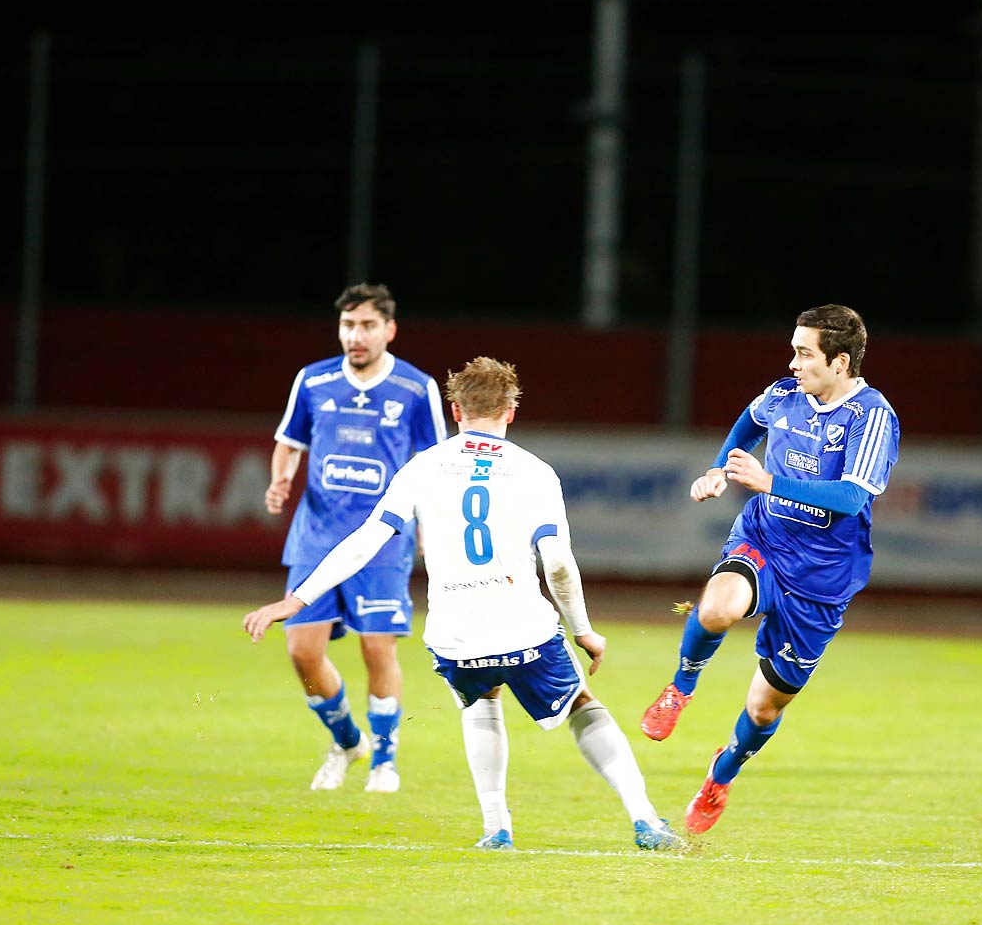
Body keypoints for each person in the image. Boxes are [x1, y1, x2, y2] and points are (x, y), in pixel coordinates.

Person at [245, 357, 684, 852]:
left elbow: (366, 540)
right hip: (522, 625)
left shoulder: (423, 466)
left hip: (454, 636)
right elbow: (557, 563)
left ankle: (496, 828)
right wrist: (582, 629)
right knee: (582, 703)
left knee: (481, 701)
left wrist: (296, 598)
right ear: (511, 412)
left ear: (455, 409)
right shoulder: (534, 472)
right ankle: (645, 819)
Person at [640, 304, 900, 836]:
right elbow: (748, 422)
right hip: (765, 539)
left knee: (763, 709)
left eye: (805, 353)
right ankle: (680, 688)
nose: (794, 361)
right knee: (717, 608)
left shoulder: (873, 416)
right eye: (795, 349)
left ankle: (720, 775)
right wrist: (721, 468)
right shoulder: (784, 394)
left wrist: (768, 482)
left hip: (824, 576)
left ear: (841, 362)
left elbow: (851, 497)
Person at [266, 284, 445, 792]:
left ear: (389, 329)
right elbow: (288, 442)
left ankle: (385, 760)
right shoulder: (313, 380)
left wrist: (431, 528)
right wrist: (281, 477)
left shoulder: (415, 389)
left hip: (383, 540)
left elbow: (436, 464)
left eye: (367, 326)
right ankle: (348, 741)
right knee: (302, 650)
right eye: (348, 326)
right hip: (316, 535)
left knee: (376, 648)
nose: (355, 336)